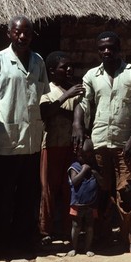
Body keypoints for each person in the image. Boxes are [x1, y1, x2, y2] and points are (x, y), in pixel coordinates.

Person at [72, 31, 131, 256]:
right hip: (99, 142)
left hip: (125, 143)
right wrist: (77, 124)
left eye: (111, 47)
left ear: (119, 48)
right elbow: (83, 103)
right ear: (98, 51)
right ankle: (103, 235)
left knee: (127, 191)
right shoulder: (92, 75)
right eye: (102, 48)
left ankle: (130, 239)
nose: (107, 51)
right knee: (102, 193)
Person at [0, 15, 50, 255]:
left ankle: (23, 241)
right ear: (9, 34)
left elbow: (42, 97)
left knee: (28, 193)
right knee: (2, 195)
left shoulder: (38, 61)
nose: (23, 37)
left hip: (31, 141)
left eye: (27, 33)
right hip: (5, 140)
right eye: (18, 32)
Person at [39, 51, 84, 245]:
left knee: (69, 188)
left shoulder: (78, 90)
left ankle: (67, 229)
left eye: (70, 66)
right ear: (52, 70)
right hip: (51, 145)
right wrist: (67, 95)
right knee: (48, 189)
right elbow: (46, 112)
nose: (68, 70)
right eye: (63, 67)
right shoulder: (47, 89)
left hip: (70, 146)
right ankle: (45, 230)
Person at [67, 139, 104, 257]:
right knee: (76, 226)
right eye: (83, 155)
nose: (86, 158)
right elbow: (74, 181)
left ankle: (88, 248)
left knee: (89, 227)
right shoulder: (75, 167)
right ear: (78, 154)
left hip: (91, 204)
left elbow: (103, 184)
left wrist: (95, 174)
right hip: (77, 203)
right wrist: (83, 170)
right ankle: (74, 248)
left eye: (89, 155)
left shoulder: (95, 167)